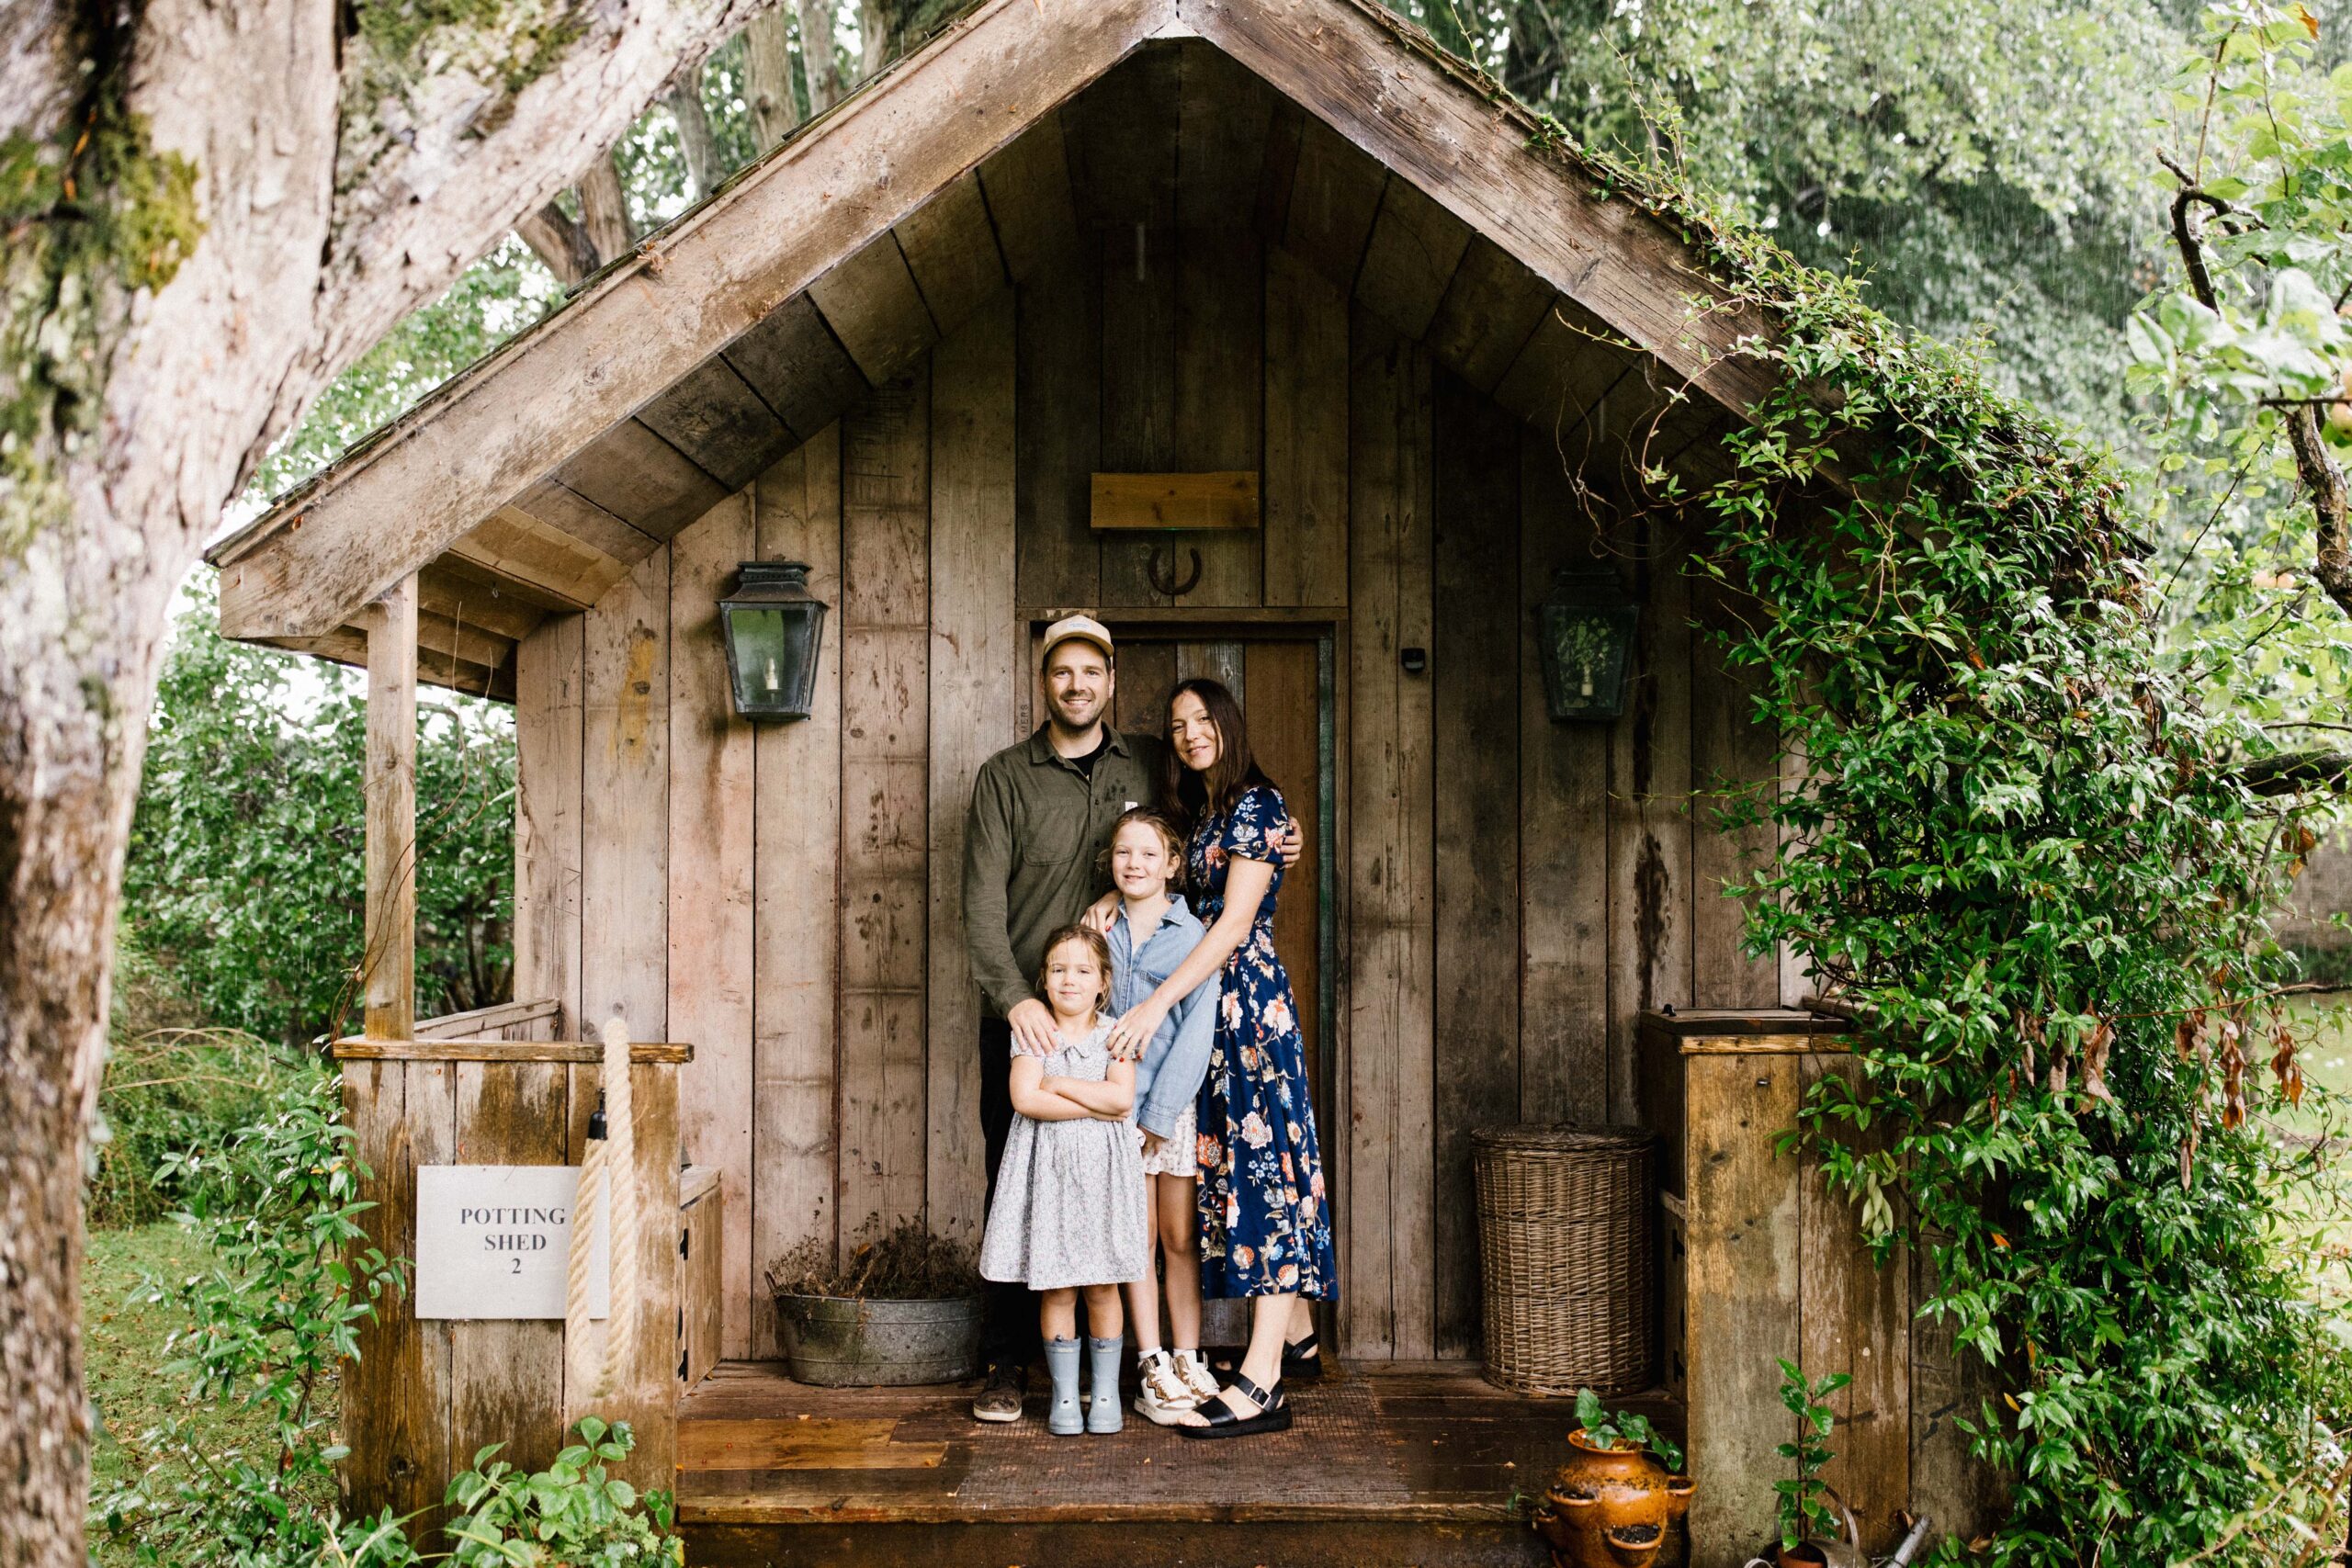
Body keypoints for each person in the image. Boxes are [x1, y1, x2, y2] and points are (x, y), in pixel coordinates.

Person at [960, 615, 1300, 1424]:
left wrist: (1281, 840)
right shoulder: (1005, 776)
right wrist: (1019, 1002)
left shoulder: (1148, 758)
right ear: (1045, 681)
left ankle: (1127, 1370)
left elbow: (1219, 815)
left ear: (1111, 681)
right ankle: (1012, 1363)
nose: (1077, 685)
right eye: (1062, 672)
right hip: (1037, 1015)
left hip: (1132, 1031)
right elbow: (977, 906)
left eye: (1092, 672)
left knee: (1132, 1203)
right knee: (1023, 1181)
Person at [1102, 677, 1337, 1439]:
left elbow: (1233, 923)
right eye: (1177, 724)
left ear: (1229, 724)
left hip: (1247, 1011)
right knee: (1233, 1166)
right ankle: (1295, 1335)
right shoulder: (1202, 812)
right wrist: (1113, 901)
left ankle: (1262, 1382)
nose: (1190, 732)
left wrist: (1155, 1000)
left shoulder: (1259, 804)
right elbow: (1172, 884)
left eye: (1204, 719)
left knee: (1266, 1174)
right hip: (1208, 1008)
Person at [977, 925, 1148, 1436]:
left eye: (1082, 970)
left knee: (1101, 1286)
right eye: (1058, 970)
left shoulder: (1115, 1034)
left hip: (1103, 1183)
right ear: (1044, 980)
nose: (1069, 980)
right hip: (1048, 1178)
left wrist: (1062, 1084)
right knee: (1057, 1288)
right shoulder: (1033, 1034)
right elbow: (1026, 1099)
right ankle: (1065, 1399)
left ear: (1103, 982)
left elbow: (1122, 1101)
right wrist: (1090, 1099)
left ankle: (1105, 1397)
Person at [1099, 808, 1224, 1425]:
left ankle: (1187, 1354)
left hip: (1168, 1112)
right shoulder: (1100, 930)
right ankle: (1149, 1362)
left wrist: (1159, 1112)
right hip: (1116, 1112)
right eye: (1124, 852)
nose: (1135, 864)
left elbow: (1196, 1034)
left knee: (1178, 1238)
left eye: (1149, 854)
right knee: (1135, 1239)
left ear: (1172, 864)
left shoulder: (1192, 935)